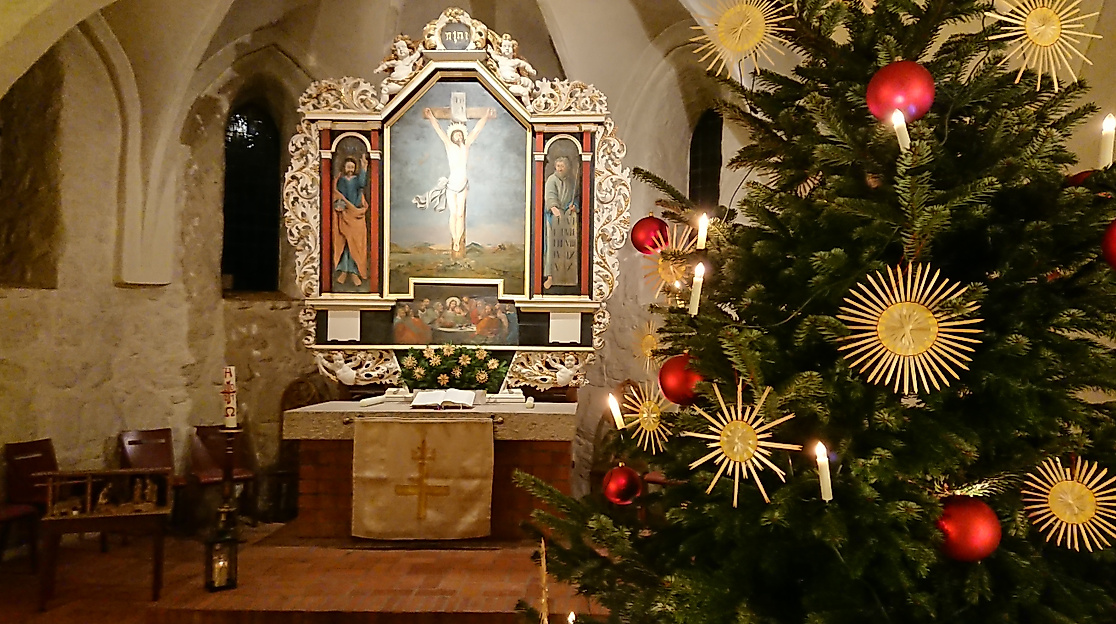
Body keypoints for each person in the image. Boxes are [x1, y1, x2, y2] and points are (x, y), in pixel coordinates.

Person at [413, 107, 497, 260]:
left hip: (463, 184)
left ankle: (458, 239)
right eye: (455, 134)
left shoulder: (466, 147)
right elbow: (439, 130)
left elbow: (476, 130)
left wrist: (485, 116)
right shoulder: (449, 146)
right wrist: (431, 116)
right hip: (451, 185)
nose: (458, 135)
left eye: (460, 134)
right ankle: (456, 241)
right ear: (452, 136)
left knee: (460, 213)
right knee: (453, 213)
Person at [332, 154, 370, 287]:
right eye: (348, 166)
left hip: (356, 214)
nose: (350, 169)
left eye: (353, 167)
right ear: (344, 167)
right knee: (345, 242)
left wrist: (364, 167)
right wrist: (340, 205)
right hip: (345, 213)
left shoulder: (357, 180)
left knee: (355, 243)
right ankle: (343, 271)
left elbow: (362, 183)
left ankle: (355, 272)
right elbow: (338, 194)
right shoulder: (341, 180)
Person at [543, 155, 580, 289]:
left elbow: (575, 197)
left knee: (567, 246)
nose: (559, 169)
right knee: (553, 246)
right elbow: (550, 196)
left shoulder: (571, 181)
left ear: (567, 168)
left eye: (562, 166)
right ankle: (551, 276)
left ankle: (567, 276)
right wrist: (554, 208)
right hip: (553, 218)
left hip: (568, 218)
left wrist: (574, 206)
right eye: (558, 166)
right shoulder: (551, 180)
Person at [375, 36, 424, 104]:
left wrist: (422, 45)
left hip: (401, 83)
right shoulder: (396, 62)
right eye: (398, 49)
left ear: (409, 49)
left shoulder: (409, 60)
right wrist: (379, 69)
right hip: (395, 81)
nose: (401, 50)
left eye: (403, 47)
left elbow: (417, 53)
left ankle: (381, 105)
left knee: (385, 90)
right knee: (382, 85)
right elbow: (386, 64)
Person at [490, 35, 536, 103]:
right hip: (509, 84)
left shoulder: (515, 61)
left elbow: (525, 65)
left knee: (530, 83)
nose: (507, 48)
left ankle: (529, 94)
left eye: (509, 47)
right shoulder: (500, 59)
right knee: (524, 92)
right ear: (500, 49)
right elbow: (493, 54)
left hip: (518, 81)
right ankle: (529, 107)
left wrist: (531, 70)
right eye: (505, 46)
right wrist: (489, 50)